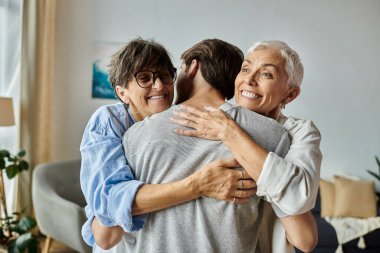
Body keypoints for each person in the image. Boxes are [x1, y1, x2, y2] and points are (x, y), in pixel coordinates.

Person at [96, 39, 316, 252]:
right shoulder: (274, 135)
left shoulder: (136, 134)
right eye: (247, 70)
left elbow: (107, 230)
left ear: (192, 67)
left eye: (174, 72)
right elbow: (302, 236)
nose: (165, 86)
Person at [80, 38, 256, 249]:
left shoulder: (180, 119)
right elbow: (108, 228)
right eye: (144, 78)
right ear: (122, 93)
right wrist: (198, 185)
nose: (159, 85)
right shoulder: (109, 120)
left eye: (165, 75)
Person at [171, 40, 322, 251]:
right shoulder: (210, 120)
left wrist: (230, 133)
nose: (249, 80)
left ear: (290, 94)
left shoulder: (300, 132)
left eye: (266, 74)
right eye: (246, 69)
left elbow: (304, 236)